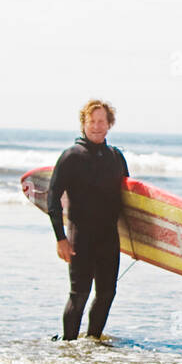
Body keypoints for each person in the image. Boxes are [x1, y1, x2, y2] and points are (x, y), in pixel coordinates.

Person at [47, 100, 129, 341]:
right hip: (80, 237)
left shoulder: (116, 157)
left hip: (109, 238)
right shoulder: (71, 156)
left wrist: (136, 242)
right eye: (91, 121)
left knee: (107, 293)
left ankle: (93, 344)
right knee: (79, 293)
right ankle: (68, 345)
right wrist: (60, 238)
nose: (96, 126)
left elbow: (128, 202)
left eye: (101, 121)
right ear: (83, 123)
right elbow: (52, 198)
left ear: (109, 124)